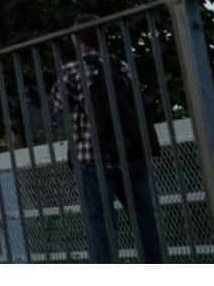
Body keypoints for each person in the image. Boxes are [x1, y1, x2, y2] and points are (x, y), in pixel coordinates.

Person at [51, 16, 165, 263]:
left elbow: (61, 113)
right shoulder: (120, 66)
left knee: (101, 225)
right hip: (132, 154)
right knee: (144, 220)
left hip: (92, 157)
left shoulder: (71, 71)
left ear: (77, 39)